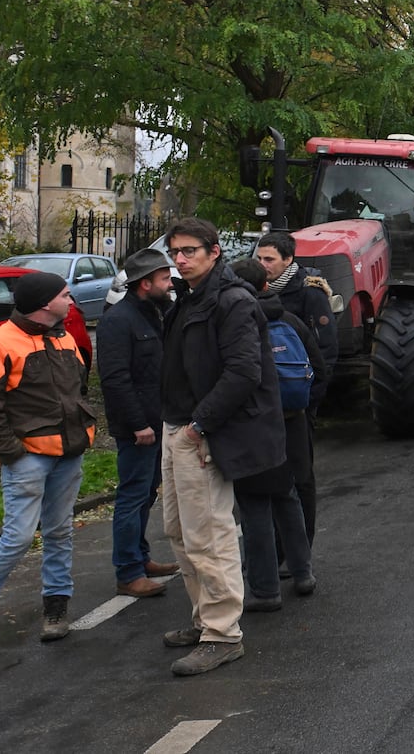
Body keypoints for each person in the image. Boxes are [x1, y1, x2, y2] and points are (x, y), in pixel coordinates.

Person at [159, 217, 286, 677]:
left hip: (202, 433)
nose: (180, 259)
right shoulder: (190, 298)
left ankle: (222, 634)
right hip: (178, 428)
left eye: (189, 250)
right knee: (179, 531)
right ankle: (203, 618)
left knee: (209, 535)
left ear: (215, 252)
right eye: (175, 252)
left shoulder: (231, 302)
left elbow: (243, 373)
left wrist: (198, 427)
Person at [0, 271, 92, 655]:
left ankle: (56, 609)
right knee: (17, 538)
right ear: (46, 303)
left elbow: (78, 387)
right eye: (66, 295)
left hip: (68, 452)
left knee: (60, 531)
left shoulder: (63, 336)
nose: (71, 301)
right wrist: (12, 453)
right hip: (28, 458)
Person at [229, 259, 323, 611]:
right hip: (291, 420)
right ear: (266, 285)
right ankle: (302, 572)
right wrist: (304, 410)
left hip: (252, 425)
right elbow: (320, 367)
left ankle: (264, 587)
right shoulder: (289, 319)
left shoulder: (236, 322)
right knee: (288, 498)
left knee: (253, 507)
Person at [98, 248, 181, 600]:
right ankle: (128, 572)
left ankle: (141, 558)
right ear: (145, 284)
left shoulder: (157, 313)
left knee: (146, 493)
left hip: (157, 421)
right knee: (132, 496)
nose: (170, 284)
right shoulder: (118, 321)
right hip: (139, 428)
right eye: (164, 279)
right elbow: (115, 380)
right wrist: (138, 425)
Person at [255, 231, 335, 546]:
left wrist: (311, 399)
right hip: (268, 405)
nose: (262, 265)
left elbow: (326, 352)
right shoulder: (256, 292)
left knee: (300, 477)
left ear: (288, 260)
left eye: (269, 259)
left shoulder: (308, 292)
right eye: (258, 259)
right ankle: (275, 546)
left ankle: (301, 545)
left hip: (299, 403)